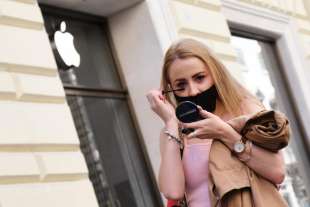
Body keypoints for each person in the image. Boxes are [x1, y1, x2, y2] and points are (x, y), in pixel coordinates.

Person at [146, 38, 286, 207]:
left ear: (215, 73)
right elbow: (172, 192)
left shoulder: (244, 109)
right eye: (181, 85)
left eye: (199, 78)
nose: (193, 90)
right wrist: (170, 122)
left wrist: (225, 133)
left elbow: (277, 172)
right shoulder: (173, 131)